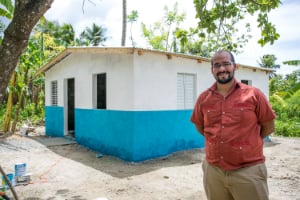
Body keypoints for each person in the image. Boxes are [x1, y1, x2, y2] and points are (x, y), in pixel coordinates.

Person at [190, 50, 276, 200]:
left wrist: (249, 142)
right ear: (212, 70)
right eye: (217, 65)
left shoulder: (254, 94)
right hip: (214, 172)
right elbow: (200, 127)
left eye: (226, 64)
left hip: (248, 171)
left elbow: (269, 126)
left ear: (234, 66)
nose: (222, 69)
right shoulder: (204, 98)